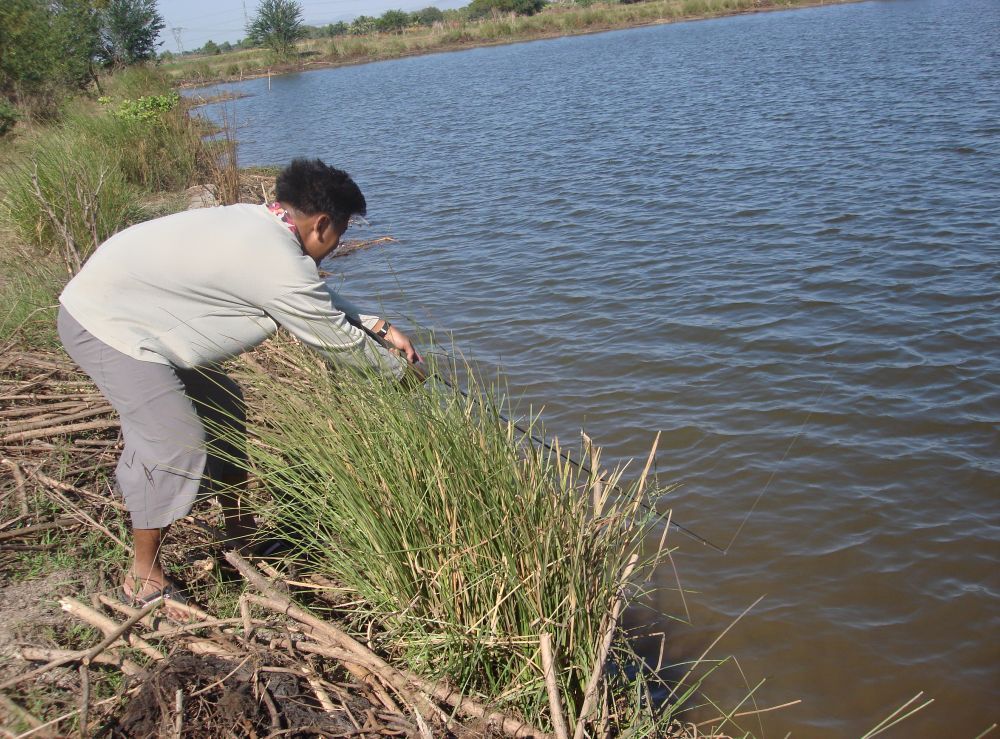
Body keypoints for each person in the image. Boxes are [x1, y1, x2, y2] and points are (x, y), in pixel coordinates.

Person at [57, 158, 422, 615]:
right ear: (323, 224)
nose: (336, 245)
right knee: (175, 442)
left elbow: (306, 294)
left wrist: (377, 325)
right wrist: (404, 378)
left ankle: (240, 532)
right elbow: (333, 339)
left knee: (225, 404)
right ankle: (142, 575)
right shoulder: (270, 255)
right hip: (104, 324)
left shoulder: (263, 225)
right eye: (341, 234)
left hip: (135, 314)